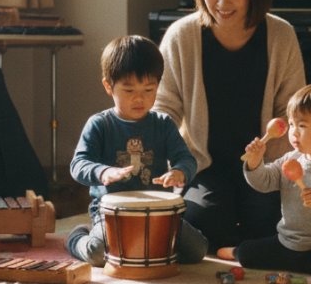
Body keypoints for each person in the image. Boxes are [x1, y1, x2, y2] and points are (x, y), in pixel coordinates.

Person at [154, 0, 307, 252]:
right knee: (206, 223)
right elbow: (165, 108)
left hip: (263, 166)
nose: (222, 3)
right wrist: (172, 163)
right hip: (205, 166)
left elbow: (293, 111)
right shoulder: (182, 36)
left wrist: (266, 162)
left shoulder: (281, 35)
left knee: (268, 222)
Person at [67, 35, 208, 266]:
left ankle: (149, 247)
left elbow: (186, 158)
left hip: (157, 212)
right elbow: (78, 164)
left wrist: (180, 172)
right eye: (129, 90)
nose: (139, 98)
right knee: (96, 254)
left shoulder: (163, 124)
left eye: (149, 89)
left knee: (197, 250)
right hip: (111, 213)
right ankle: (77, 237)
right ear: (108, 86)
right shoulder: (100, 124)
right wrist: (103, 172)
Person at [221, 82, 311, 280]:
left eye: (302, 125)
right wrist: (255, 163)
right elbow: (264, 182)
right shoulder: (290, 159)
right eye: (291, 124)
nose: (294, 132)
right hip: (290, 242)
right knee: (248, 254)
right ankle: (238, 251)